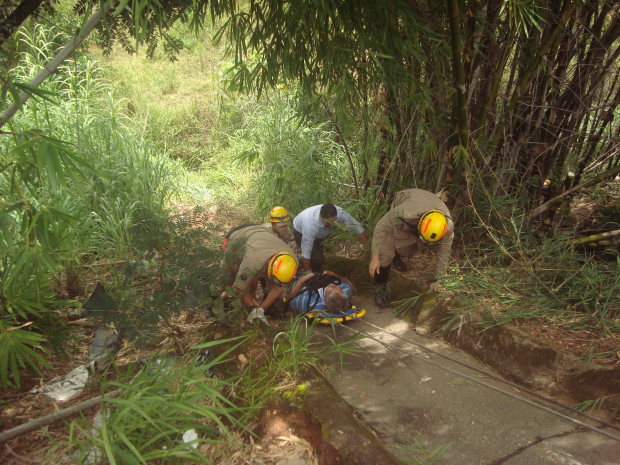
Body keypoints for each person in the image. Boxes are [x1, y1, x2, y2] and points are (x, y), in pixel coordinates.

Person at [368, 188, 454, 308]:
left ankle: (396, 257)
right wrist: (375, 257)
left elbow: (444, 252)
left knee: (409, 248)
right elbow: (381, 226)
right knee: (386, 250)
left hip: (426, 206)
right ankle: (380, 287)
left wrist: (438, 280)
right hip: (408, 201)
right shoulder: (404, 212)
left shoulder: (446, 227)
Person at [222, 225, 298, 313]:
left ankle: (253, 300)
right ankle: (217, 299)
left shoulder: (292, 262)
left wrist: (261, 310)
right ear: (269, 269)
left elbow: (280, 288)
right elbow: (240, 287)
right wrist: (252, 309)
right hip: (240, 238)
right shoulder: (252, 261)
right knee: (227, 277)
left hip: (263, 236)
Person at [293, 203, 368, 272]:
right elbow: (307, 250)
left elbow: (358, 229)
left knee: (318, 255)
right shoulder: (310, 224)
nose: (331, 225)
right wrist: (306, 273)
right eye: (328, 223)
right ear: (321, 217)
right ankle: (310, 269)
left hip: (319, 234)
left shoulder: (340, 213)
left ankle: (309, 263)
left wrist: (366, 252)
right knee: (318, 259)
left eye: (334, 222)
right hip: (300, 232)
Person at [221, 205, 292, 251]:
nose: (284, 229)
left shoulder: (289, 233)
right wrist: (227, 238)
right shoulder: (265, 233)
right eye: (281, 226)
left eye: (285, 225)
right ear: (273, 225)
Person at [288, 270, 354, 316]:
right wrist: (334, 275)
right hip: (313, 274)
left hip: (294, 283)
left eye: (332, 289)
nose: (335, 285)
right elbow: (347, 285)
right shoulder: (345, 292)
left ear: (325, 298)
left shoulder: (309, 303)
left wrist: (301, 281)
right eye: (339, 288)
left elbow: (288, 299)